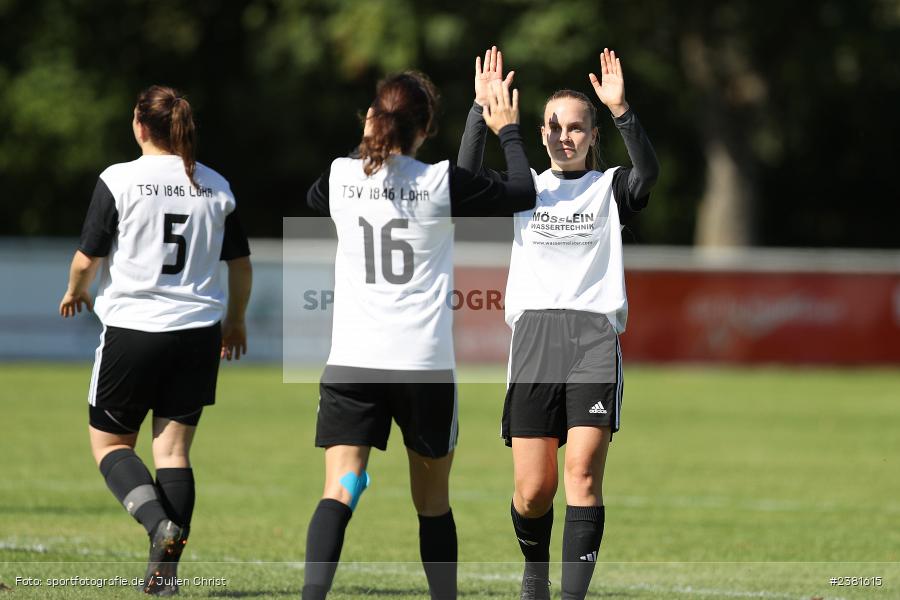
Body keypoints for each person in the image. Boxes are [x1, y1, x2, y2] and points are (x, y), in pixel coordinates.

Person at [302, 70, 535, 600]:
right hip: (421, 366)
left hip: (353, 362)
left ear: (372, 119)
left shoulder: (340, 175)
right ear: (426, 127)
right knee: (432, 503)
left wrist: (370, 137)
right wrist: (506, 128)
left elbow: (326, 192)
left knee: (341, 487)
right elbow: (520, 191)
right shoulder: (438, 183)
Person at [457, 47, 660, 600]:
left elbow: (648, 173)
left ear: (593, 135)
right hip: (534, 341)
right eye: (553, 126)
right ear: (540, 132)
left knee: (582, 477)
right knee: (532, 490)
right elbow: (464, 178)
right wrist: (480, 111)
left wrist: (621, 110)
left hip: (594, 337)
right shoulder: (526, 188)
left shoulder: (610, 188)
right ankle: (534, 574)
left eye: (576, 127)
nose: (564, 136)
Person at [58, 85, 252, 596]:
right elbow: (241, 264)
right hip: (196, 335)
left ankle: (155, 527)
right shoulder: (216, 185)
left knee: (110, 444)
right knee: (174, 453)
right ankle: (165, 573)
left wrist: (76, 291)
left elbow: (87, 258)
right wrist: (235, 321)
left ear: (140, 126)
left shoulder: (119, 179)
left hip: (133, 331)